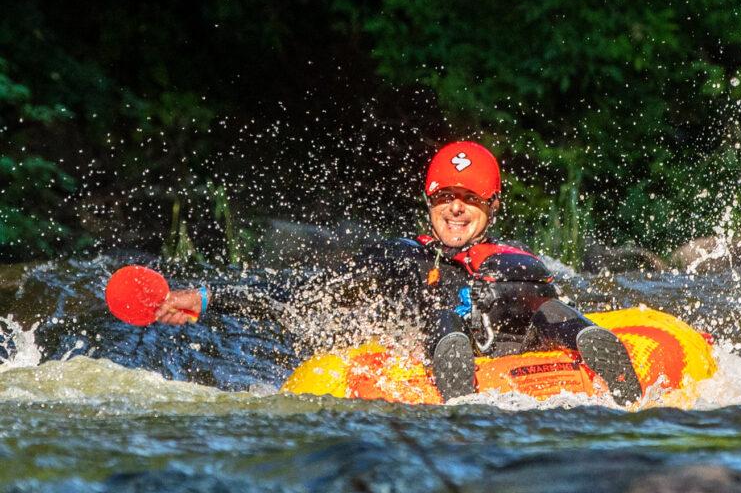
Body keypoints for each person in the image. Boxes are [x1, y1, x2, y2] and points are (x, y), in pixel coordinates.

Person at [157, 141, 642, 403]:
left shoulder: (506, 261)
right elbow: (309, 290)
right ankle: (597, 360)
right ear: (428, 201)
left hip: (486, 338)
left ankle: (581, 344)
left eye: (469, 199)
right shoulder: (408, 257)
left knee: (537, 307)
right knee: (523, 307)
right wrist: (207, 298)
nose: (455, 209)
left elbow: (307, 292)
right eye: (443, 198)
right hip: (475, 340)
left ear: (492, 205)